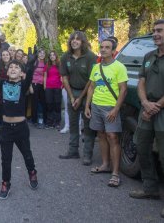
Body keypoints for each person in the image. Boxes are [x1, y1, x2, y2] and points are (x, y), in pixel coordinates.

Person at [0, 47, 39, 199]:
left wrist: (31, 64)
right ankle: (5, 183)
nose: (13, 68)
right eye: (11, 67)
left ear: (21, 73)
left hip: (21, 128)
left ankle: (32, 172)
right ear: (7, 72)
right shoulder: (2, 83)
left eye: (17, 67)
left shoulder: (24, 85)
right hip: (6, 129)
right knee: (6, 159)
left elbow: (29, 76)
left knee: (27, 154)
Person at [129, 20, 164, 218]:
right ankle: (150, 188)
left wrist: (156, 106)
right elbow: (141, 81)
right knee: (142, 148)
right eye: (154, 31)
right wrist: (144, 103)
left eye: (159, 31)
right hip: (147, 109)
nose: (155, 34)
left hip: (160, 111)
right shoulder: (148, 56)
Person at [85, 38, 128, 187]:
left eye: (107, 47)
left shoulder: (119, 67)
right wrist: (87, 106)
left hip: (111, 107)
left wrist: (116, 109)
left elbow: (123, 89)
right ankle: (105, 165)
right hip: (96, 105)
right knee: (101, 134)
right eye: (102, 47)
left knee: (113, 137)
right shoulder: (96, 67)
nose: (103, 49)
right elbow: (91, 87)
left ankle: (115, 173)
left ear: (114, 51)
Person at [59, 31, 97, 166]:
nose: (74, 41)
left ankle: (87, 154)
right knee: (73, 124)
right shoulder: (65, 57)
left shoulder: (91, 57)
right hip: (72, 92)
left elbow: (91, 80)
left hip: (87, 93)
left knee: (87, 126)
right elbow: (64, 78)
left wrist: (80, 98)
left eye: (78, 39)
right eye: (72, 39)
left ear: (83, 42)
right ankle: (73, 151)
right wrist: (71, 96)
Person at [44, 51, 62, 129]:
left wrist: (62, 85)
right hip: (49, 87)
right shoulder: (47, 65)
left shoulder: (60, 65)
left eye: (53, 55)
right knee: (49, 104)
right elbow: (45, 76)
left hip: (57, 87)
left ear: (56, 56)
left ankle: (57, 122)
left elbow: (62, 76)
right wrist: (45, 86)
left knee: (57, 104)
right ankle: (50, 122)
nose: (52, 56)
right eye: (50, 55)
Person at [30, 49, 47, 128]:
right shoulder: (34, 62)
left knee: (43, 102)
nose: (42, 54)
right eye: (40, 53)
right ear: (37, 54)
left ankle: (43, 119)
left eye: (43, 53)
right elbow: (29, 74)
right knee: (34, 103)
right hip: (34, 84)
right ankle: (34, 120)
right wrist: (30, 86)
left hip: (42, 85)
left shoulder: (46, 63)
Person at [0, 49, 11, 127]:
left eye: (7, 54)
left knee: (9, 107)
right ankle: (0, 121)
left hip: (11, 89)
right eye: (3, 55)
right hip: (1, 90)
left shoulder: (13, 65)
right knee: (0, 106)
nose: (5, 56)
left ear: (9, 56)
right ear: (1, 57)